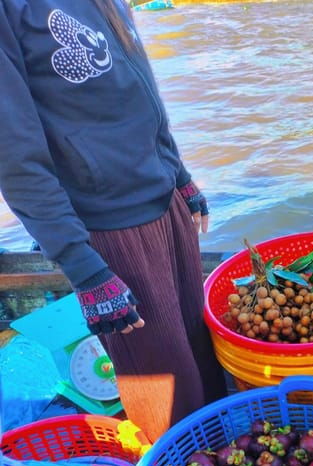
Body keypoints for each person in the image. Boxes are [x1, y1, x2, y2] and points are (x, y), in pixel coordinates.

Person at [0, 0, 226, 441]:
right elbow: (15, 156)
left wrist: (178, 174)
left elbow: (140, 93)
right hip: (109, 228)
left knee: (203, 359)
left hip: (165, 203)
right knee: (167, 394)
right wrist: (84, 269)